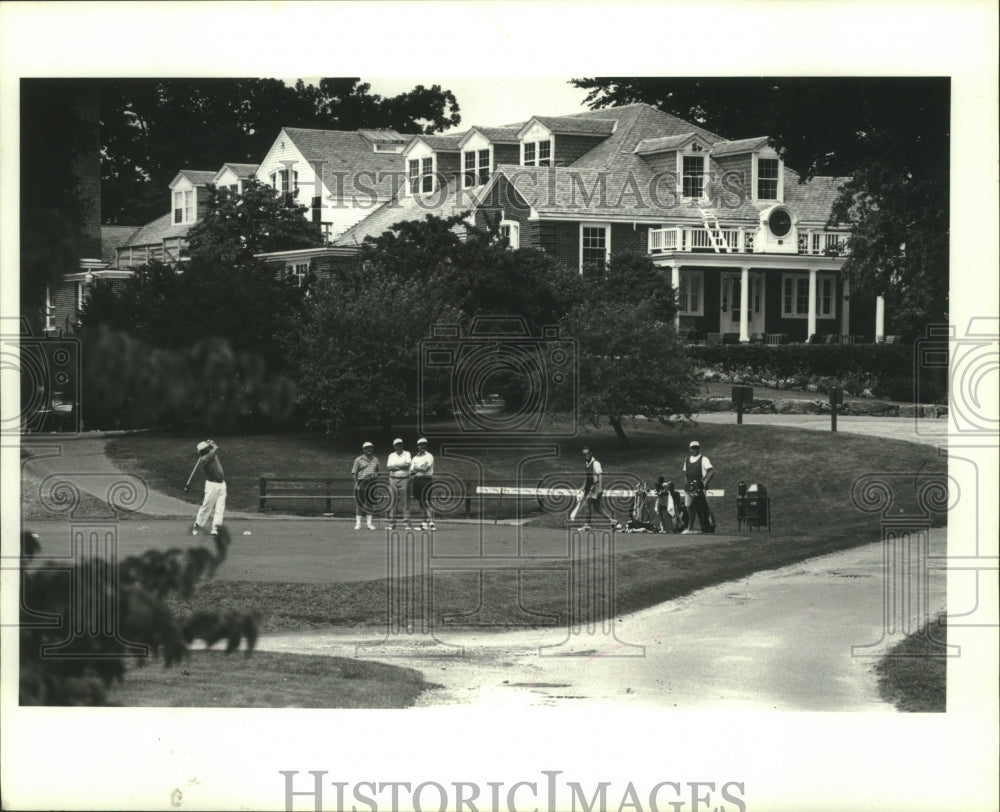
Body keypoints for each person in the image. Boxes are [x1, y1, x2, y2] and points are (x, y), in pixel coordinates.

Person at [569, 446, 617, 531]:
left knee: (587, 503)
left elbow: (600, 475)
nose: (586, 455)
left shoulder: (595, 463)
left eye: (588, 453)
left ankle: (587, 525)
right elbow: (587, 478)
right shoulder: (587, 464)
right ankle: (612, 521)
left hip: (596, 487)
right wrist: (583, 488)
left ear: (591, 453)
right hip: (591, 488)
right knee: (597, 507)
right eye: (584, 454)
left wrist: (600, 488)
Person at [185, 440, 226, 536]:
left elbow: (214, 450)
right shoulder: (204, 458)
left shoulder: (211, 454)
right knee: (207, 507)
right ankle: (197, 526)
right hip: (212, 485)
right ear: (205, 450)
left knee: (220, 508)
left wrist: (210, 443)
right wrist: (212, 444)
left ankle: (216, 528)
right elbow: (215, 449)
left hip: (222, 484)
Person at [682, 440, 715, 534]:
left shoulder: (704, 459)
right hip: (689, 488)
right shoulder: (687, 460)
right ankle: (690, 527)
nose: (695, 450)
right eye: (693, 448)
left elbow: (711, 471)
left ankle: (707, 527)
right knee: (689, 507)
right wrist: (686, 484)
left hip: (699, 488)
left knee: (703, 508)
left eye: (697, 448)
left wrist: (705, 483)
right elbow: (686, 474)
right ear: (690, 449)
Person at [351, 441, 380, 530]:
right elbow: (354, 473)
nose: (369, 449)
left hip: (371, 483)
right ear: (363, 449)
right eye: (367, 448)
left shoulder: (376, 459)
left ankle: (369, 524)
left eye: (370, 448)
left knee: (370, 504)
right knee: (360, 504)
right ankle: (358, 524)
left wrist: (376, 474)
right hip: (361, 482)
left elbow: (378, 471)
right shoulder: (358, 459)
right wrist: (357, 483)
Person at [409, 437, 436, 530]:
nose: (423, 446)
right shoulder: (414, 457)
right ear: (418, 446)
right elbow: (411, 471)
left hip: (426, 480)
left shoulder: (429, 456)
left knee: (427, 501)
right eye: (421, 445)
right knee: (420, 502)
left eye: (424, 444)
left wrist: (416, 468)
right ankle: (424, 523)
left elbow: (426, 469)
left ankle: (432, 523)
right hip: (416, 481)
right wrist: (418, 468)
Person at [386, 438, 412, 530]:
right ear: (394, 446)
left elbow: (408, 465)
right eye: (397, 445)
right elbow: (389, 467)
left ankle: (407, 524)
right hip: (393, 480)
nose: (399, 446)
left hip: (405, 480)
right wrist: (401, 465)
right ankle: (392, 524)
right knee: (393, 502)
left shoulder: (407, 453)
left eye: (400, 444)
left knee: (405, 502)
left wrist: (395, 466)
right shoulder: (391, 455)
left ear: (402, 445)